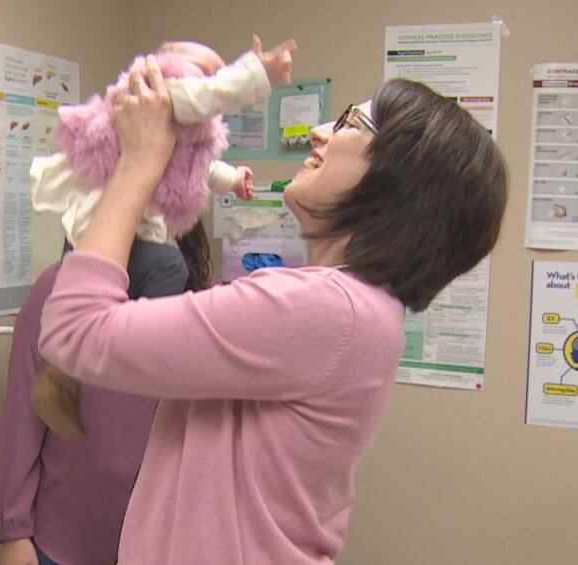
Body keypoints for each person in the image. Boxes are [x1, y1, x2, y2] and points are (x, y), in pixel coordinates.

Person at [36, 53, 508, 565]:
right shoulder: (358, 313)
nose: (321, 132)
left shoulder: (328, 312)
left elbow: (75, 331)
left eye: (352, 122)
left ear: (401, 181)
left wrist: (137, 165)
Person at [29, 36, 296, 438]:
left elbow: (202, 168)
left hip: (110, 240)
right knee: (167, 266)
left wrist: (234, 177)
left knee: (160, 267)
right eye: (203, 72)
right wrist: (260, 72)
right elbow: (206, 95)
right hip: (98, 232)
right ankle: (130, 352)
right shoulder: (158, 93)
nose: (207, 81)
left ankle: (74, 370)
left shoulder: (174, 137)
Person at [0, 221, 214, 565]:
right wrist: (14, 533)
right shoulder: (58, 293)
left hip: (164, 545)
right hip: (60, 544)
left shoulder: (206, 309)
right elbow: (21, 425)